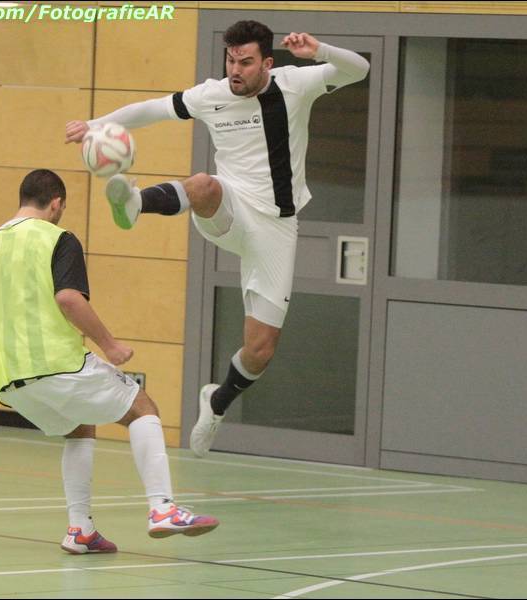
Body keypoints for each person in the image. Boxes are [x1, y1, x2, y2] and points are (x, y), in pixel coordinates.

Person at [65, 21, 369, 458]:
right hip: (229, 208)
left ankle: (218, 401)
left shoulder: (295, 84)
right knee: (204, 184)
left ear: (267, 62)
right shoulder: (211, 95)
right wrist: (94, 124)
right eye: (231, 60)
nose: (235, 70)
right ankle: (134, 203)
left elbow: (359, 69)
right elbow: (152, 109)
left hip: (276, 230)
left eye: (246, 62)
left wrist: (319, 49)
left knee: (260, 351)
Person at [0, 169, 218, 554]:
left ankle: (80, 530)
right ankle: (162, 508)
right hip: (58, 364)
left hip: (10, 383)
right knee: (141, 407)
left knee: (79, 426)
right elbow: (68, 299)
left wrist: (1, 362)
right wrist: (110, 345)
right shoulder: (56, 238)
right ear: (56, 204)